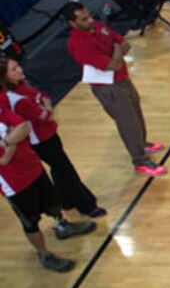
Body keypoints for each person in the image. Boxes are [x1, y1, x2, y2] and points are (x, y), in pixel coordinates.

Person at [63, 2, 166, 178]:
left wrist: (117, 51)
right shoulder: (78, 43)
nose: (90, 20)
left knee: (136, 113)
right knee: (127, 123)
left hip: (123, 79)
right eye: (84, 19)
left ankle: (141, 143)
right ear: (72, 23)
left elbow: (125, 43)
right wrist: (116, 50)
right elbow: (113, 64)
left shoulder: (98, 26)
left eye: (89, 15)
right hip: (108, 88)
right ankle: (140, 162)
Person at [3, 58, 105, 218]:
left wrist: (46, 105)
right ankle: (86, 205)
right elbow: (44, 114)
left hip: (47, 134)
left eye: (18, 66)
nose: (20, 69)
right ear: (5, 77)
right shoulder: (17, 99)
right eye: (13, 69)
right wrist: (47, 107)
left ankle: (66, 200)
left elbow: (43, 97)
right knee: (66, 170)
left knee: (59, 169)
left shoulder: (23, 85)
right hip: (41, 140)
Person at [1, 104, 96, 273]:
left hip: (34, 167)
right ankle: (43, 254)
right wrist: (13, 140)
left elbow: (24, 126)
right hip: (14, 185)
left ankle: (63, 226)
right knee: (30, 222)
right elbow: (4, 160)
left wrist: (6, 142)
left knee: (53, 202)